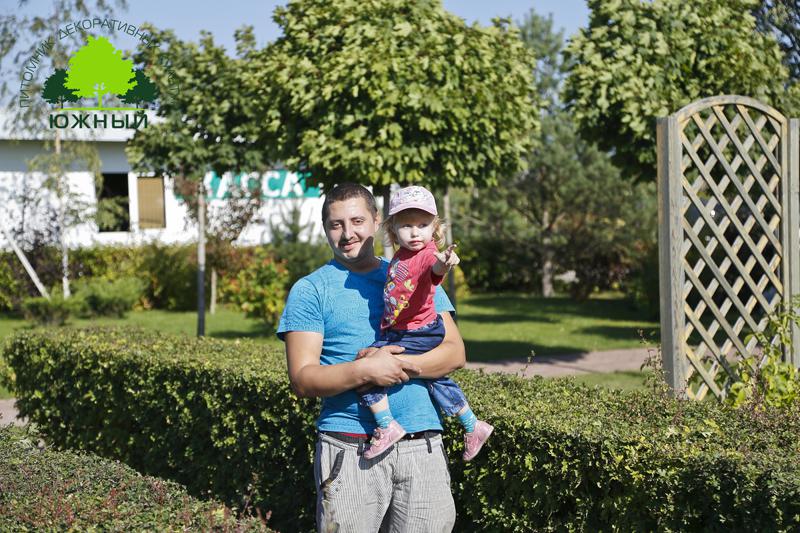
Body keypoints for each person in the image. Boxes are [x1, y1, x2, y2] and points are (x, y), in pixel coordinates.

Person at [277, 182, 464, 532]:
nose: (348, 233)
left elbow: (455, 353)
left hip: (422, 445)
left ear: (377, 222)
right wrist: (366, 371)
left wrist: (396, 366)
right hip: (350, 449)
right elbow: (302, 379)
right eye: (336, 224)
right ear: (325, 229)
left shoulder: (419, 271)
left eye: (357, 221)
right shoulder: (310, 290)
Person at [358, 185, 493, 461]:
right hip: (407, 330)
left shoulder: (426, 255)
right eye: (407, 226)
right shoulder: (403, 255)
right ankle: (472, 425)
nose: (415, 232)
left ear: (435, 228)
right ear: (393, 230)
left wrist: (445, 263)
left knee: (369, 369)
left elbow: (434, 269)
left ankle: (386, 425)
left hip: (417, 331)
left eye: (422, 225)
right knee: (435, 378)